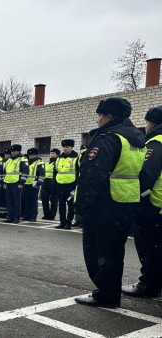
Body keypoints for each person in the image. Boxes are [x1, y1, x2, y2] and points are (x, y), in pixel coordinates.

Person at [74, 97, 145, 308]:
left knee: (98, 253)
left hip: (104, 205)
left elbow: (92, 176)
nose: (98, 120)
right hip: (127, 202)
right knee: (115, 252)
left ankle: (106, 295)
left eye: (100, 116)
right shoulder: (136, 139)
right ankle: (110, 294)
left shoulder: (107, 138)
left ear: (109, 116)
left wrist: (81, 207)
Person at [122, 105, 162, 299]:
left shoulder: (155, 143)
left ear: (152, 123)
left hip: (154, 205)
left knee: (150, 247)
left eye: (146, 122)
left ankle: (148, 285)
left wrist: (138, 199)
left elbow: (146, 175)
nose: (145, 126)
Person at [54, 139, 79, 229]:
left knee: (70, 204)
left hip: (71, 184)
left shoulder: (76, 157)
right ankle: (62, 222)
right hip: (60, 184)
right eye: (64, 147)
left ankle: (69, 222)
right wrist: (55, 182)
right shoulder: (59, 158)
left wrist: (76, 185)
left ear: (71, 147)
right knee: (61, 204)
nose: (65, 149)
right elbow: (55, 171)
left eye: (67, 147)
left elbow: (79, 171)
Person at [3, 144, 28, 224]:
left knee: (17, 201)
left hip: (17, 183)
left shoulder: (22, 159)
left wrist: (21, 183)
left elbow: (25, 172)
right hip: (8, 182)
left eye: (14, 151)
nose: (13, 153)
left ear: (18, 151)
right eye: (12, 151)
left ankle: (17, 217)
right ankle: (10, 216)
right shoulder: (9, 160)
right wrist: (4, 182)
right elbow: (5, 172)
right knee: (9, 201)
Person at [22, 148, 44, 222]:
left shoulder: (39, 162)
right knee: (26, 201)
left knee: (33, 201)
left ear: (36, 155)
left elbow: (42, 174)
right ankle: (26, 215)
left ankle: (33, 216)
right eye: (29, 155)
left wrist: (38, 183)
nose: (30, 156)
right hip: (26, 183)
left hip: (34, 184)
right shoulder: (26, 162)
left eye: (32, 155)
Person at [41, 149, 60, 220]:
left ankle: (52, 215)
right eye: (51, 153)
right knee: (44, 199)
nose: (51, 154)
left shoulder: (58, 163)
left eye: (53, 153)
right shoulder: (47, 163)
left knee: (54, 200)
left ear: (57, 154)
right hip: (45, 182)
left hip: (53, 182)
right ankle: (46, 214)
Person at [0, 149, 11, 218]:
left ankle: (7, 213)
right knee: (1, 198)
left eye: (7, 154)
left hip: (8, 182)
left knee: (7, 199)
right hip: (3, 182)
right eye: (5, 154)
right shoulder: (3, 162)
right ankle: (1, 212)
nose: (6, 156)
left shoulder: (9, 162)